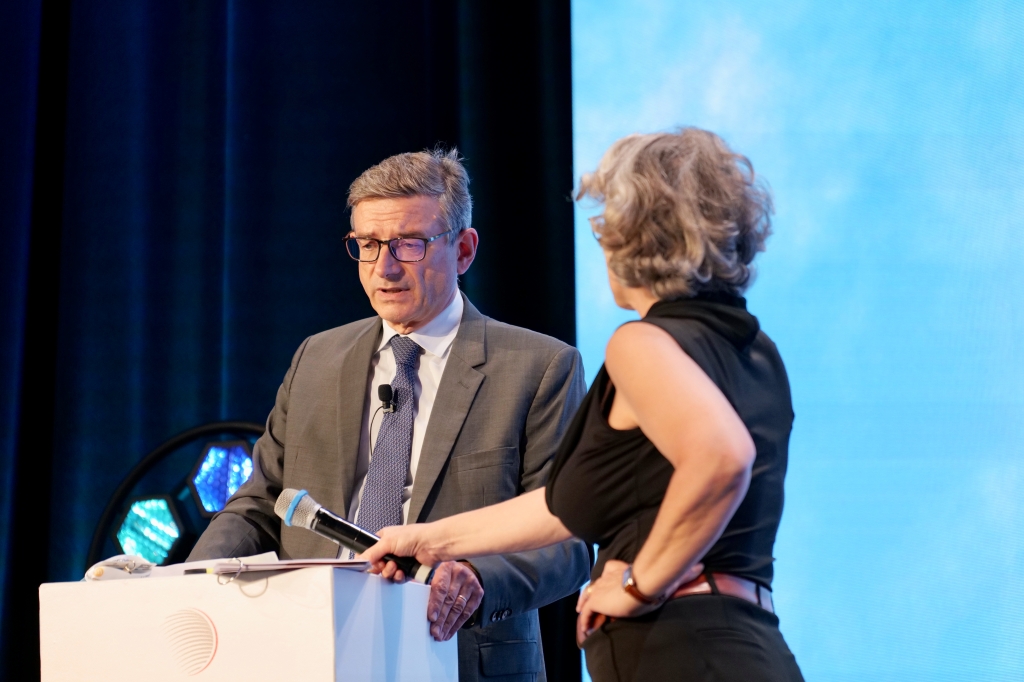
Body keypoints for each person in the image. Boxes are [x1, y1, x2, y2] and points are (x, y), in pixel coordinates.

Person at [363, 129, 805, 681]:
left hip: (681, 649)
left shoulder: (641, 344)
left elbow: (722, 458)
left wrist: (641, 583)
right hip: (750, 643)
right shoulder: (758, 351)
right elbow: (563, 508)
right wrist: (425, 540)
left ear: (629, 237)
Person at [189, 149, 591, 682]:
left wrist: (476, 576)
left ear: (464, 250)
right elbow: (260, 503)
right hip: (309, 652)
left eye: (409, 243)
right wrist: (189, 583)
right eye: (368, 245)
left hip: (457, 655)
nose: (386, 267)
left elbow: (569, 543)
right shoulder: (316, 358)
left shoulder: (538, 367)